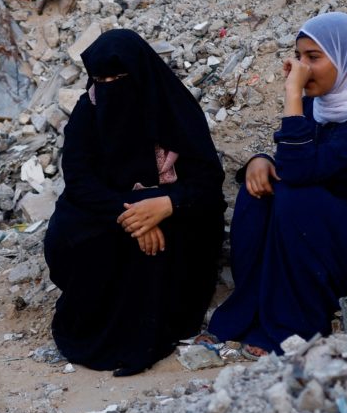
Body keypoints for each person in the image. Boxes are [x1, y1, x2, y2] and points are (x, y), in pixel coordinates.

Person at [203, 12, 347, 356]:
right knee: (258, 191)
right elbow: (290, 164)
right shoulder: (320, 107)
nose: (302, 67)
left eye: (314, 57)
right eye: (299, 57)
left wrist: (291, 95)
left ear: (346, 61)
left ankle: (291, 328)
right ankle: (249, 308)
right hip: (320, 243)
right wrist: (261, 161)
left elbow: (299, 173)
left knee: (296, 195)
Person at [44, 29, 225, 377]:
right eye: (101, 78)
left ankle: (151, 332)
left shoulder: (173, 108)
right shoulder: (90, 108)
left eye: (118, 78)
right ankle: (98, 324)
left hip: (172, 208)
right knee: (71, 228)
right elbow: (80, 180)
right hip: (114, 209)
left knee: (181, 231)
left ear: (140, 74)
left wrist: (164, 205)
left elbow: (206, 181)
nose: (108, 86)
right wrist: (135, 214)